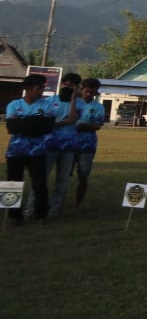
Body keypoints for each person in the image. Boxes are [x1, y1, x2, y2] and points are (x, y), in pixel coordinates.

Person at [5, 74, 55, 224]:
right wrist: (35, 122)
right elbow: (11, 128)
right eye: (39, 88)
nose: (41, 91)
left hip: (38, 151)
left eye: (42, 88)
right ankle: (14, 216)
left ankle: (41, 215)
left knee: (39, 184)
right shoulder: (13, 105)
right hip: (16, 151)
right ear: (28, 89)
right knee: (13, 184)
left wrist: (22, 122)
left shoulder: (46, 105)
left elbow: (47, 127)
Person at [45, 73, 81, 218]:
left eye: (71, 86)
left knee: (62, 181)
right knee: (41, 178)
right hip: (49, 145)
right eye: (65, 85)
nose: (67, 88)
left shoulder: (80, 103)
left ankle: (54, 211)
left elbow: (73, 118)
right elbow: (45, 122)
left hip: (68, 147)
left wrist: (72, 100)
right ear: (60, 85)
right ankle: (34, 209)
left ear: (76, 88)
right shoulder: (48, 101)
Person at [72, 78, 105, 209]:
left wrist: (78, 125)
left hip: (87, 145)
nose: (89, 95)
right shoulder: (73, 102)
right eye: (87, 91)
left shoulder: (99, 107)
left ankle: (78, 204)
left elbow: (97, 126)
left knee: (83, 176)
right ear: (81, 89)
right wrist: (86, 125)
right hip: (68, 144)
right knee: (63, 175)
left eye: (92, 93)